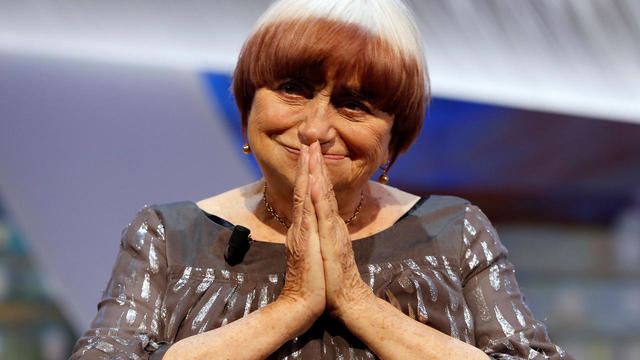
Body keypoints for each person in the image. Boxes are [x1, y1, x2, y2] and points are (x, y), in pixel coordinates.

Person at [71, 0, 571, 359]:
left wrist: (354, 301)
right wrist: (291, 307)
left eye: (354, 104)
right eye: (292, 89)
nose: (314, 129)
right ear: (248, 103)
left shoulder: (456, 231)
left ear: (394, 139)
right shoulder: (165, 234)